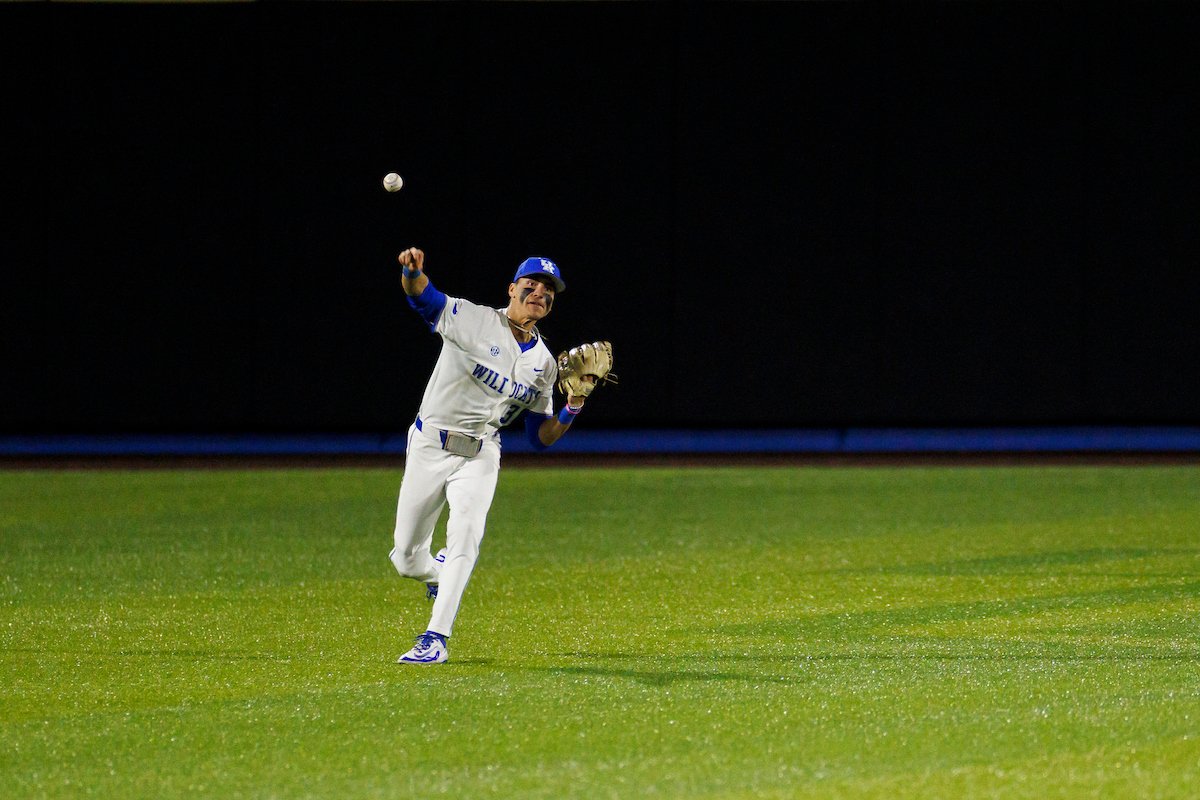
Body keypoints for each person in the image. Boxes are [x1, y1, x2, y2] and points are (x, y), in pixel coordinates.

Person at [388, 247, 594, 665]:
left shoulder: (544, 365)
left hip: (481, 453)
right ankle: (437, 573)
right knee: (406, 559)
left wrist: (572, 407)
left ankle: (435, 638)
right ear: (512, 289)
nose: (540, 292)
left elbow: (539, 438)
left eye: (548, 290)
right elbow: (423, 298)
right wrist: (412, 272)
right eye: (531, 284)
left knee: (466, 536)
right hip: (430, 444)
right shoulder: (474, 319)